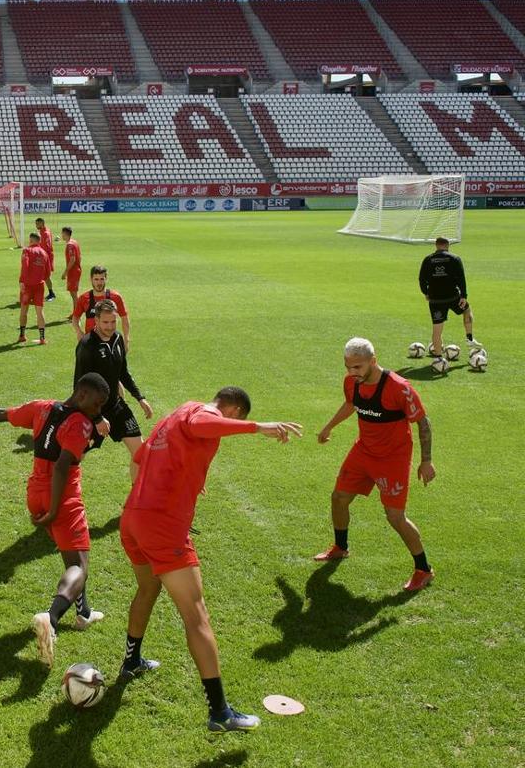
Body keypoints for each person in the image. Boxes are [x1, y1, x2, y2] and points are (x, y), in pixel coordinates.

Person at [118, 386, 301, 732]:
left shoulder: (173, 415)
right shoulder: (207, 414)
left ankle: (131, 662)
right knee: (196, 614)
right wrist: (258, 427)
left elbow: (139, 458)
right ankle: (220, 713)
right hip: (162, 526)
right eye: (238, 419)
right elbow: (205, 425)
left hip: (134, 518)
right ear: (233, 410)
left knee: (147, 590)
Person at [0, 373, 113, 667]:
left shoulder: (42, 407)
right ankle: (51, 617)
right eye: (97, 404)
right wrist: (55, 509)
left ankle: (83, 614)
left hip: (35, 491)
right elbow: (62, 465)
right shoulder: (80, 423)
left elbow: (1, 414)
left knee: (71, 552)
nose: (98, 411)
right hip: (61, 497)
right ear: (83, 395)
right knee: (78, 566)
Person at [313, 337, 436, 591]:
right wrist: (329, 426)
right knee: (338, 498)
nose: (351, 372)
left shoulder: (399, 387)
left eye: (357, 367)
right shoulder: (352, 382)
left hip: (393, 459)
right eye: (348, 367)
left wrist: (426, 461)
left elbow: (422, 422)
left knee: (395, 517)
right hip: (363, 452)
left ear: (373, 361)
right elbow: (351, 404)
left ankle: (423, 569)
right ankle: (340, 547)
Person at [74, 303, 153, 481]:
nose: (110, 327)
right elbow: (80, 388)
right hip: (91, 411)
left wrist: (140, 397)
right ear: (96, 320)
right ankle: (59, 498)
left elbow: (122, 372)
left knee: (141, 455)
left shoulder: (117, 339)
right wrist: (97, 418)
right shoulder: (87, 346)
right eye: (105, 322)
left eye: (113, 322)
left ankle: (135, 504)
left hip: (116, 406)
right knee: (74, 459)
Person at [418, 237, 478, 355]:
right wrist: (463, 296)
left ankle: (438, 358)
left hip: (435, 299)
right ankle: (469, 338)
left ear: (436, 245)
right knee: (467, 310)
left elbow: (421, 279)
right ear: (448, 245)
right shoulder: (454, 258)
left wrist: (426, 293)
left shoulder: (428, 259)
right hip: (452, 297)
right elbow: (461, 278)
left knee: (437, 328)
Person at [69, 266, 130, 345]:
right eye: (96, 279)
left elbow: (124, 318)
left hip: (111, 342)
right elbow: (75, 318)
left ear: (106, 279)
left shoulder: (116, 297)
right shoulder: (84, 298)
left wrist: (126, 339)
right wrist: (79, 332)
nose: (99, 283)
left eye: (102, 279)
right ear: (91, 280)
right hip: (90, 343)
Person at [18, 232, 51, 345]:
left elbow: (25, 265)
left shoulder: (26, 250)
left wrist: (22, 281)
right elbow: (47, 273)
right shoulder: (44, 253)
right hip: (39, 286)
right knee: (40, 312)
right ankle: (42, 338)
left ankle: (22, 335)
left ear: (31, 240)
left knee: (24, 310)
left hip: (27, 286)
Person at [58, 227, 81, 307]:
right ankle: (75, 313)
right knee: (73, 293)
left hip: (73, 271)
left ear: (65, 233)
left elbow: (72, 259)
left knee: (74, 294)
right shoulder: (74, 242)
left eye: (62, 233)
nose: (61, 235)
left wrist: (65, 272)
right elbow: (79, 257)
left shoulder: (70, 245)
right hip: (76, 270)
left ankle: (77, 315)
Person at [36, 218, 56, 302]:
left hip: (46, 257)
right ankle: (48, 293)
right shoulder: (42, 232)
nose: (36, 225)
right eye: (36, 224)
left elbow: (47, 247)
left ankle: (52, 294)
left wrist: (44, 258)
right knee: (43, 276)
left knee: (46, 276)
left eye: (38, 224)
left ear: (42, 223)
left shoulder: (46, 233)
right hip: (43, 256)